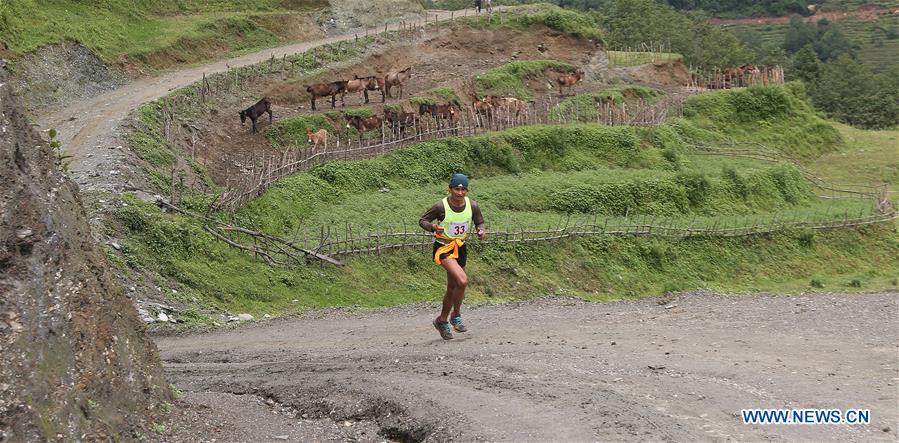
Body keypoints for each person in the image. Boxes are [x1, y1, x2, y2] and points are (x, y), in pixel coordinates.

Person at [419, 173, 486, 340]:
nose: (460, 193)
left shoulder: (473, 206)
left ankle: (441, 320)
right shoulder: (440, 206)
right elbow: (423, 220)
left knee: (453, 287)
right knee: (462, 280)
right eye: (457, 189)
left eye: (463, 190)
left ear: (467, 191)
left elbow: (479, 221)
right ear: (450, 189)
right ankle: (456, 315)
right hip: (444, 248)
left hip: (460, 247)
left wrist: (480, 230)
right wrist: (433, 227)